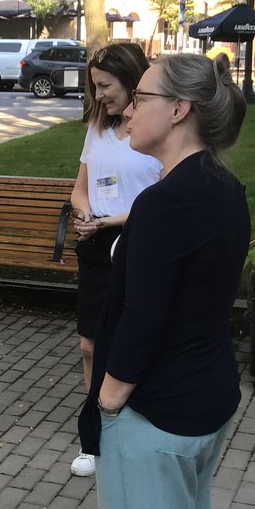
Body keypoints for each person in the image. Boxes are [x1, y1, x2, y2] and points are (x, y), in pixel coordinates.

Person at [78, 52, 249, 509]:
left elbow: (143, 318)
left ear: (179, 110)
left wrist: (111, 401)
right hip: (206, 402)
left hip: (156, 414)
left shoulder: (163, 203)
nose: (125, 107)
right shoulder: (222, 187)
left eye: (141, 97)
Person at [67, 43, 161, 477]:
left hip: (136, 239)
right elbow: (80, 187)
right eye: (94, 86)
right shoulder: (97, 128)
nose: (98, 95)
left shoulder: (154, 131)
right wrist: (85, 212)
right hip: (96, 242)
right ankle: (95, 433)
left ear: (130, 80)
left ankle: (128, 423)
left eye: (105, 86)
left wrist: (110, 221)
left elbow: (160, 198)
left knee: (130, 338)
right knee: (90, 343)